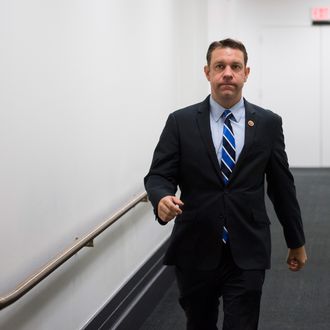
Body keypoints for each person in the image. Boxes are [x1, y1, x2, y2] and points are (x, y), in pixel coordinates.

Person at [144, 38, 307, 330]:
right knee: (199, 322)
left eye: (235, 66)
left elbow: (282, 186)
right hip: (195, 245)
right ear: (207, 72)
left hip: (248, 247)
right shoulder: (180, 122)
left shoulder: (268, 123)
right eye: (220, 66)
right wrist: (161, 198)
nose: (228, 73)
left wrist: (296, 241)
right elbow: (158, 175)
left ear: (246, 73)